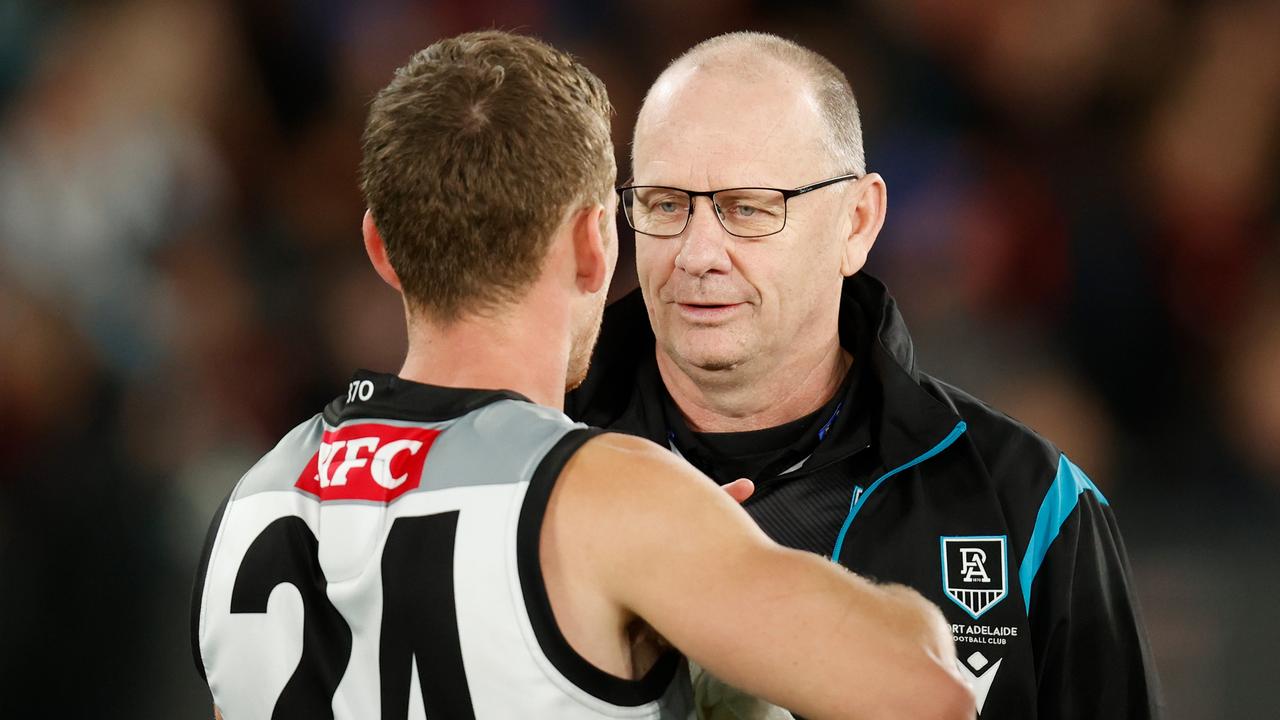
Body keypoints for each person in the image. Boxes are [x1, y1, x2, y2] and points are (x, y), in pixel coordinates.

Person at [190, 31, 974, 720]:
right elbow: (928, 692)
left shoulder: (253, 499)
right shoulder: (608, 495)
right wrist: (711, 553)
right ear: (597, 242)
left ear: (382, 250)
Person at [567, 32, 1160, 718]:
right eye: (666, 204)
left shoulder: (1032, 504)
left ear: (857, 221)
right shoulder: (537, 460)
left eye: (749, 208)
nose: (698, 253)